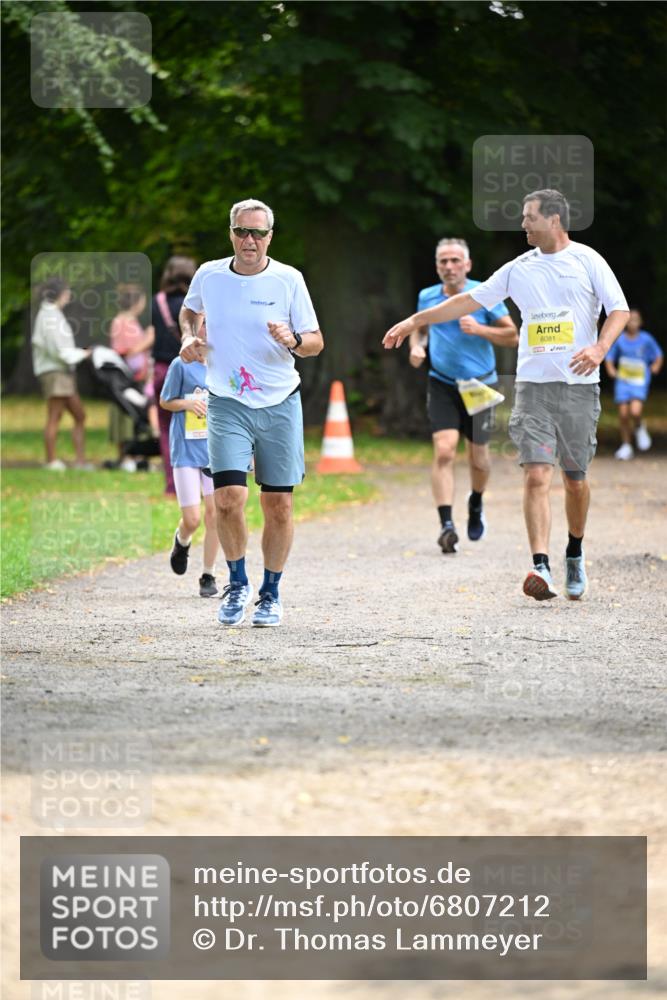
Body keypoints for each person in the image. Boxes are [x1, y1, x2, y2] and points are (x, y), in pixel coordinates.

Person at [384, 189, 629, 602]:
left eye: (528, 217)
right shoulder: (519, 268)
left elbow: (618, 309)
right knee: (536, 475)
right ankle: (540, 566)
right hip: (531, 387)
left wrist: (599, 349)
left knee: (575, 480)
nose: (522, 224)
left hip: (578, 388)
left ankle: (573, 552)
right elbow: (465, 301)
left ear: (553, 219)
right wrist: (414, 320)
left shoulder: (588, 260)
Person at [179, 198, 324, 627]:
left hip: (280, 401)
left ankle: (271, 592)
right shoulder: (209, 274)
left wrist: (292, 339)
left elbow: (316, 341)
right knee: (227, 499)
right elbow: (190, 310)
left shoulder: (288, 279)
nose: (250, 240)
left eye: (258, 233)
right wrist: (188, 336)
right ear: (231, 233)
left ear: (269, 238)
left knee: (277, 503)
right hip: (226, 400)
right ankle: (237, 582)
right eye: (242, 231)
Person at [409, 238, 518, 553]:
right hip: (442, 382)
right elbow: (421, 326)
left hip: (480, 385)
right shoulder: (427, 296)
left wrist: (481, 330)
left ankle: (476, 503)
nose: (449, 266)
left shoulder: (483, 294)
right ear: (437, 266)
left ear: (467, 265)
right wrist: (418, 345)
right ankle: (446, 524)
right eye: (443, 261)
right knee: (444, 451)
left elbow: (512, 335)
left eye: (455, 260)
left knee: (479, 458)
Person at [160, 353, 220, 598]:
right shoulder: (180, 364)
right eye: (203, 322)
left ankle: (208, 574)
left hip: (214, 449)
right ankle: (182, 540)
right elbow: (166, 401)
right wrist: (187, 404)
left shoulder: (224, 358)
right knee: (193, 519)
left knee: (215, 513)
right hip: (185, 449)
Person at [31, 277, 92, 470]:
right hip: (55, 372)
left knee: (79, 415)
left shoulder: (53, 314)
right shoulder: (49, 317)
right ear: (58, 294)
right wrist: (82, 354)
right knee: (55, 416)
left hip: (62, 372)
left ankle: (80, 461)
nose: (69, 296)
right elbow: (58, 350)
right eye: (66, 292)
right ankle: (51, 460)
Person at [152, 256, 198, 495]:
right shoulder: (195, 306)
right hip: (192, 371)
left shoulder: (156, 303)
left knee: (166, 429)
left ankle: (173, 486)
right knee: (199, 428)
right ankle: (200, 483)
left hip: (162, 370)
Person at [604, 308, 663, 460]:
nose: (632, 323)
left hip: (639, 381)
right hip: (623, 381)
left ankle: (639, 426)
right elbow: (609, 356)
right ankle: (626, 445)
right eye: (630, 320)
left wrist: (655, 366)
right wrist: (611, 369)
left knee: (635, 411)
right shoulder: (620, 339)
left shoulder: (646, 339)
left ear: (641, 322)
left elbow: (658, 355)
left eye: (636, 320)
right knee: (623, 414)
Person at [109, 285, 155, 472]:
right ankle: (125, 456)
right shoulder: (121, 323)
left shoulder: (132, 322)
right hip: (125, 379)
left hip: (138, 378)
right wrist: (148, 341)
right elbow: (123, 352)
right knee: (125, 416)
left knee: (137, 415)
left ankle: (136, 455)